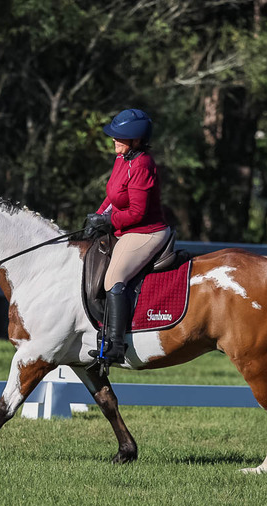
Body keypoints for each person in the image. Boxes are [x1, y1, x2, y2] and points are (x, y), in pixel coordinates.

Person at [85, 108, 171, 372]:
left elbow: (137, 212)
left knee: (114, 278)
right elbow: (113, 196)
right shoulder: (123, 159)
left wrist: (108, 222)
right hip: (126, 229)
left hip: (147, 232)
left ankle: (115, 344)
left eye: (118, 137)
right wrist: (97, 217)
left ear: (135, 140)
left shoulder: (143, 164)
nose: (113, 140)